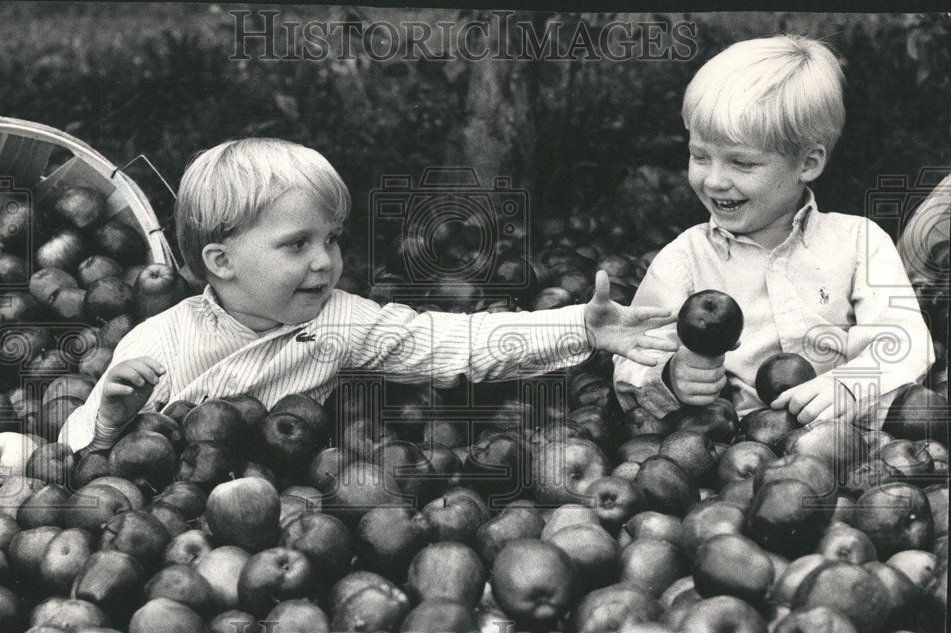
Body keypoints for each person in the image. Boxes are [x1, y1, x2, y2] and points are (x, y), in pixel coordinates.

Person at [60, 138, 678, 453]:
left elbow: (452, 342)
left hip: (297, 501)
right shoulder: (157, 345)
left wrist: (581, 328)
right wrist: (111, 420)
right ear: (220, 263)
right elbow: (77, 454)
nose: (325, 260)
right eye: (296, 244)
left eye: (332, 239)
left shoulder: (340, 322)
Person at [612, 35, 934, 427]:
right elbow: (631, 359)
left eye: (742, 163)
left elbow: (906, 341)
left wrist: (853, 384)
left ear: (808, 163)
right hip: (726, 456)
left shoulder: (860, 244)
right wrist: (670, 376)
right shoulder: (683, 262)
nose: (714, 180)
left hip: (845, 444)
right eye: (699, 156)